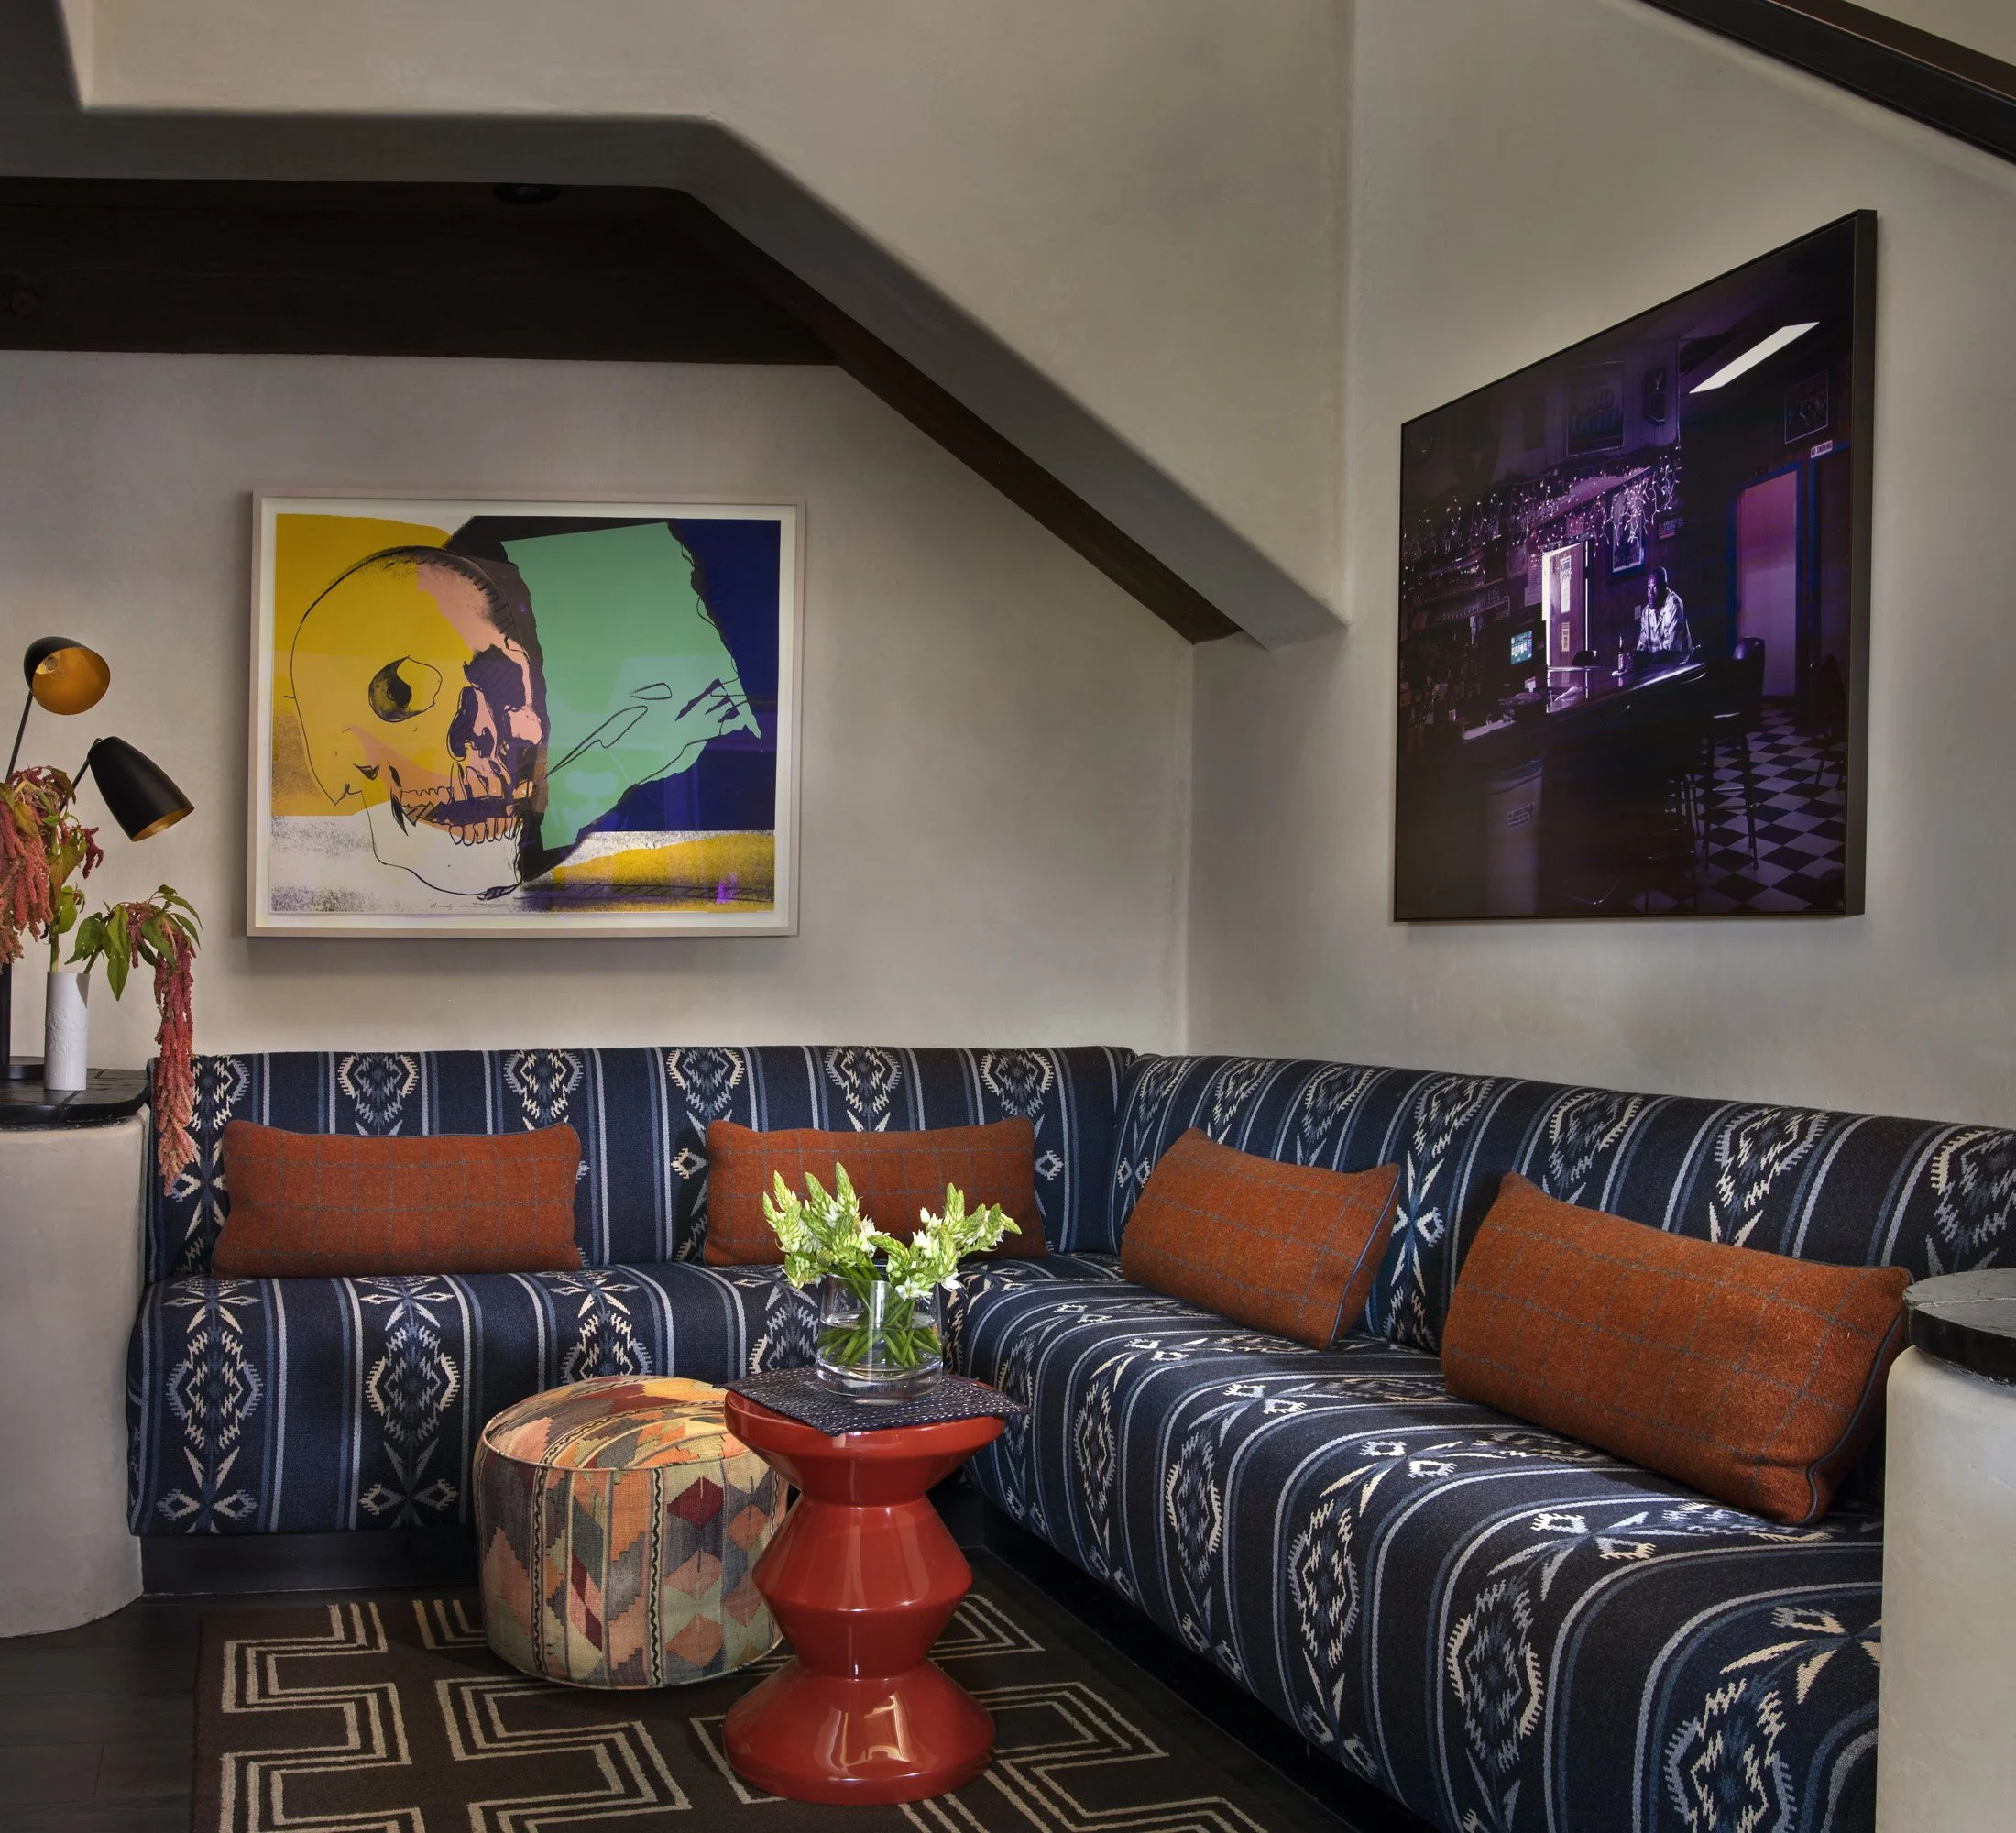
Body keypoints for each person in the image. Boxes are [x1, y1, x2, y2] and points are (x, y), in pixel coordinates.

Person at [1635, 566, 1693, 668]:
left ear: (1664, 587)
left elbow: (1671, 652)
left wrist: (1644, 658)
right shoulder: (1646, 612)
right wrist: (1634, 658)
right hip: (1656, 668)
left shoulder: (1674, 604)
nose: (1651, 593)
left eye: (1655, 587)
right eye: (1649, 588)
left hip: (1680, 667)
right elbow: (1642, 647)